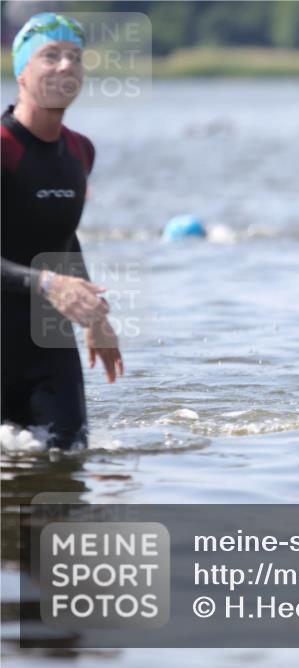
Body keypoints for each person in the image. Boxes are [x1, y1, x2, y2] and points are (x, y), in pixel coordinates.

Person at [1, 13, 124, 449]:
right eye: (49, 55)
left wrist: (95, 315)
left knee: (67, 463)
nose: (65, 66)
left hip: (48, 340)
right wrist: (47, 282)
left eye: (75, 57)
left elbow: (61, 235)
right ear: (21, 71)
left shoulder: (79, 150)